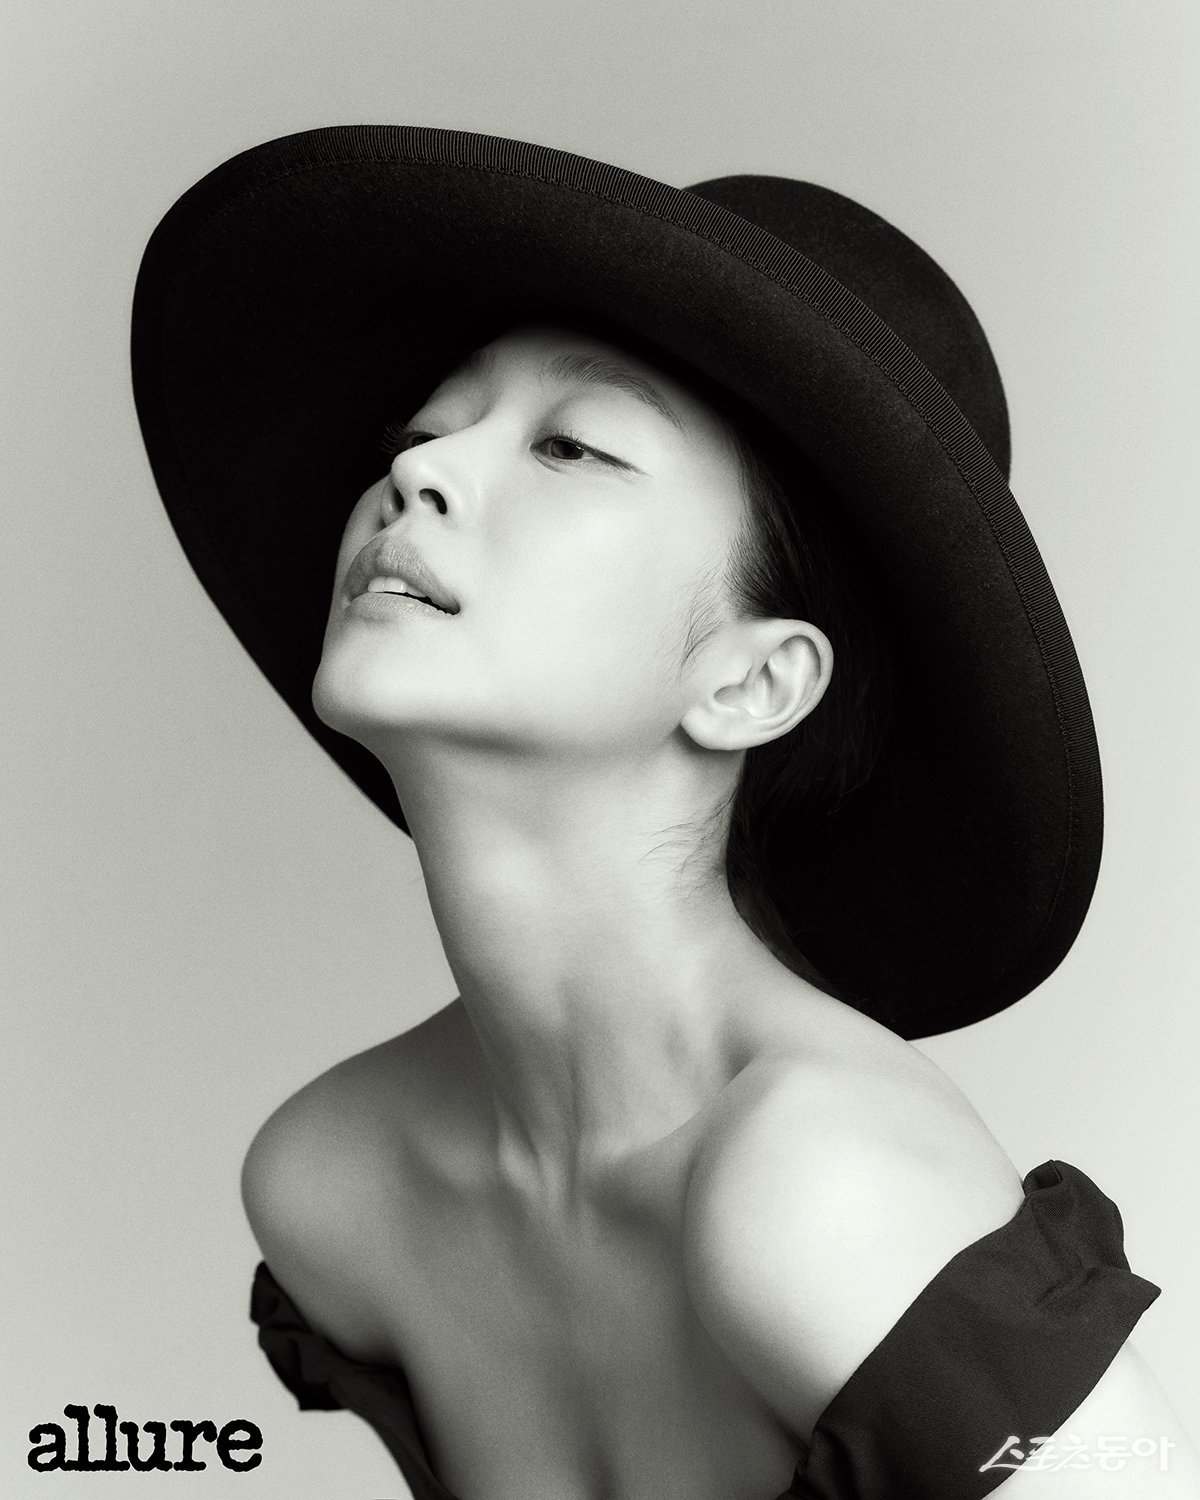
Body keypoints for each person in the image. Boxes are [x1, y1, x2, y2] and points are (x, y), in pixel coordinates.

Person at [131, 126, 1199, 1499]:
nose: (419, 473)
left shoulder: (824, 1184)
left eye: (572, 446)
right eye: (425, 431)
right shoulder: (338, 1182)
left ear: (753, 681)